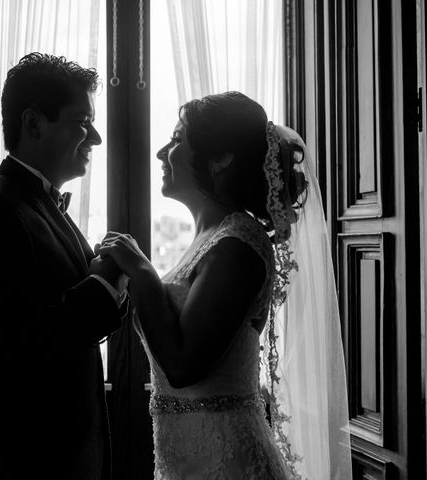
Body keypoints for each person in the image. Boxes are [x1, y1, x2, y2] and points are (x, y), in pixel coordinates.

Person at [98, 91, 352, 479]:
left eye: (178, 138)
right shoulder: (209, 240)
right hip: (185, 460)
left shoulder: (238, 246)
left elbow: (184, 367)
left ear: (220, 159)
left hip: (229, 463)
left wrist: (143, 274)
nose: (162, 152)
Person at [0, 53, 128, 479]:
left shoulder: (41, 202)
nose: (96, 138)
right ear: (33, 123)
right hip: (28, 462)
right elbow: (14, 351)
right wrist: (109, 278)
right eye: (82, 122)